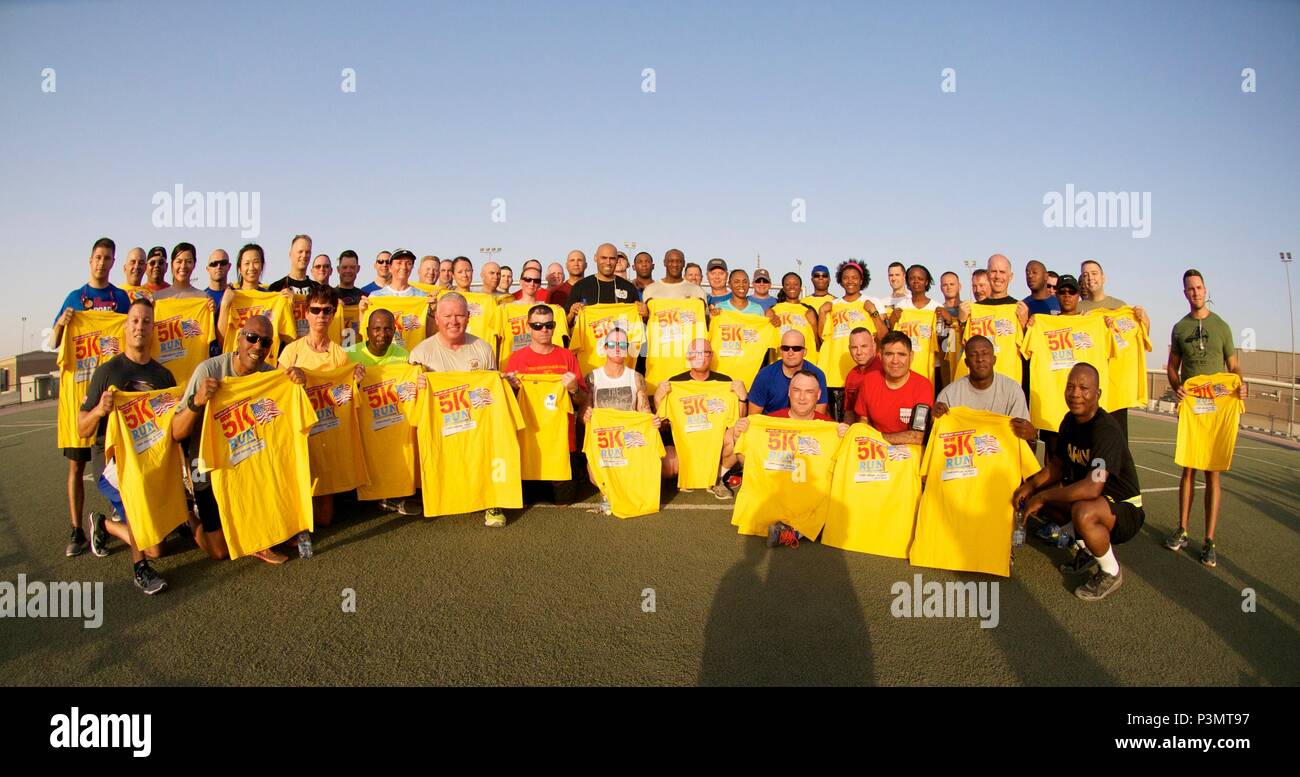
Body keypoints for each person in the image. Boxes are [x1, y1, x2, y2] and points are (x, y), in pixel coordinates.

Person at [171, 314, 306, 564]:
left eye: (265, 343)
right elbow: (176, 432)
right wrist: (197, 401)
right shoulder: (209, 370)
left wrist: (297, 384)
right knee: (220, 551)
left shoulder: (269, 375)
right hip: (208, 465)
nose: (258, 347)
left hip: (249, 462)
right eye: (252, 338)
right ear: (238, 339)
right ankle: (188, 514)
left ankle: (260, 530)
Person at [1014, 363, 1144, 601]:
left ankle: (1111, 572)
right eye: (1070, 386)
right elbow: (1057, 466)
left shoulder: (1106, 430)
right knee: (1041, 499)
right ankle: (1087, 550)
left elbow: (1091, 487)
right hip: (1096, 499)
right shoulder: (1069, 421)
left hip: (1125, 508)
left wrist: (1042, 496)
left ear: (1098, 394)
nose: (1075, 393)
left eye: (1084, 388)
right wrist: (1031, 486)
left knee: (1083, 511)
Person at [76, 298, 174, 594]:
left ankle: (103, 523)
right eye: (134, 320)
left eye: (146, 321)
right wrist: (99, 412)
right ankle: (139, 568)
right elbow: (81, 427)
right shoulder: (107, 371)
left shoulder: (163, 376)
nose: (140, 326)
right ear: (126, 326)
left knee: (158, 546)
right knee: (134, 489)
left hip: (146, 458)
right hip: (111, 460)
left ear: (153, 328)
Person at [50, 237, 131, 557]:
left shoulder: (120, 299)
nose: (102, 262)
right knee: (76, 467)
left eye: (108, 258)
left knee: (119, 462)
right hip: (79, 398)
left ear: (113, 263)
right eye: (98, 257)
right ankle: (76, 530)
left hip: (111, 398)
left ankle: (118, 515)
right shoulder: (75, 297)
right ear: (90, 260)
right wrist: (61, 323)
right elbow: (56, 342)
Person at [1163, 269, 1243, 567]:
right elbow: (1173, 366)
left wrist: (1240, 384)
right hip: (1193, 409)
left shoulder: (1221, 326)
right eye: (1189, 289)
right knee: (1188, 469)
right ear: (1184, 293)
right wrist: (1176, 387)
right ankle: (1182, 529)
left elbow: (1234, 367)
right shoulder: (1179, 328)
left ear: (1205, 289)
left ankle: (1209, 540)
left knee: (1213, 473)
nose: (1195, 292)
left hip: (1217, 407)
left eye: (1198, 287)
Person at [408, 293, 503, 528]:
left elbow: (492, 393)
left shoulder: (482, 348)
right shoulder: (420, 353)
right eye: (447, 315)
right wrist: (419, 387)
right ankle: (433, 493)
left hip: (477, 425)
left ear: (469, 317)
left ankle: (492, 499)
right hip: (441, 427)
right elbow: (411, 402)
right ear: (437, 319)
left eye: (459, 315)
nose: (454, 321)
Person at [277, 285, 358, 547]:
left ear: (333, 314)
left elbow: (344, 393)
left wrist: (355, 378)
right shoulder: (292, 351)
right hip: (299, 430)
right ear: (306, 314)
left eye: (327, 311)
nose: (321, 315)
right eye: (315, 310)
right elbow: (276, 394)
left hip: (328, 429)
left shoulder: (339, 353)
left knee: (324, 519)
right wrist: (292, 380)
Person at [503, 305, 588, 504]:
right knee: (526, 501)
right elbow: (507, 403)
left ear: (555, 326)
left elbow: (582, 399)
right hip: (528, 442)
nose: (544, 330)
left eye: (548, 325)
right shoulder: (516, 359)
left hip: (561, 442)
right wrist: (513, 388)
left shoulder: (567, 357)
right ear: (528, 327)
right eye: (538, 326)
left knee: (563, 502)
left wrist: (574, 388)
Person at [579, 326, 665, 513]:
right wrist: (586, 416)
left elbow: (644, 411)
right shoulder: (593, 377)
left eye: (622, 344)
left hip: (629, 439)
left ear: (627, 349)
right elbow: (582, 414)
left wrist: (652, 422)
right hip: (605, 440)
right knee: (595, 476)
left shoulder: (635, 377)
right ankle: (608, 493)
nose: (617, 348)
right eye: (612, 344)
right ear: (605, 348)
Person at [653, 338, 748, 500]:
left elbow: (738, 419)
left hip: (715, 444)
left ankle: (718, 477)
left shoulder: (724, 382)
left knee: (738, 435)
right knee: (666, 468)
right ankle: (690, 472)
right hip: (686, 446)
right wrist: (658, 398)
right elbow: (662, 421)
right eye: (696, 353)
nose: (701, 357)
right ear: (688, 356)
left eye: (705, 352)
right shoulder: (675, 383)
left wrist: (742, 398)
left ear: (711, 356)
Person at [934, 335, 1036, 442]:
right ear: (966, 363)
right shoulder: (949, 394)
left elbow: (1022, 438)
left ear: (994, 360)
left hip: (1002, 455)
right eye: (974, 355)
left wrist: (1031, 435)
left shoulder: (1012, 390)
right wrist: (933, 420)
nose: (980, 359)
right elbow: (939, 438)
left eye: (985, 353)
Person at [852, 331, 932, 446]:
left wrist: (876, 437)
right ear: (880, 356)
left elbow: (917, 437)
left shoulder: (923, 386)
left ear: (911, 356)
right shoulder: (868, 382)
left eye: (901, 354)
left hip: (909, 455)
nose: (895, 361)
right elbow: (863, 422)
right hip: (875, 451)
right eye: (889, 354)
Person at [748, 330, 828, 416]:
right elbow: (753, 417)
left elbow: (819, 415)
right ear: (781, 351)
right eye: (786, 348)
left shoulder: (817, 375)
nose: (790, 353)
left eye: (796, 348)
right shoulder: (765, 375)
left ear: (804, 352)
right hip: (772, 426)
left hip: (805, 426)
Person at [564, 243, 646, 326]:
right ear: (595, 258)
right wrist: (571, 314)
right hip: (589, 338)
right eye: (604, 258)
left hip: (621, 337)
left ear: (617, 260)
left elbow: (640, 322)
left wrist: (645, 315)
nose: (608, 262)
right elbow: (565, 324)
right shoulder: (580, 286)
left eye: (612, 258)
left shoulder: (629, 287)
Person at [841, 327, 881, 424]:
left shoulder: (886, 370)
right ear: (849, 349)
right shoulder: (851, 375)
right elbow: (849, 412)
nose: (859, 352)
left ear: (874, 346)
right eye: (854, 348)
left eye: (864, 346)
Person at [642, 248, 707, 301]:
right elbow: (645, 316)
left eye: (679, 261)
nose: (675, 265)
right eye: (671, 261)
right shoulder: (650, 290)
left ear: (684, 263)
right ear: (664, 262)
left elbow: (703, 316)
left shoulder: (698, 291)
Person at [203, 249, 230, 352]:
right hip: (207, 356)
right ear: (207, 269)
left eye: (223, 263)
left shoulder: (237, 296)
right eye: (214, 264)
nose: (218, 267)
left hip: (232, 356)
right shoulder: (201, 298)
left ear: (229, 266)